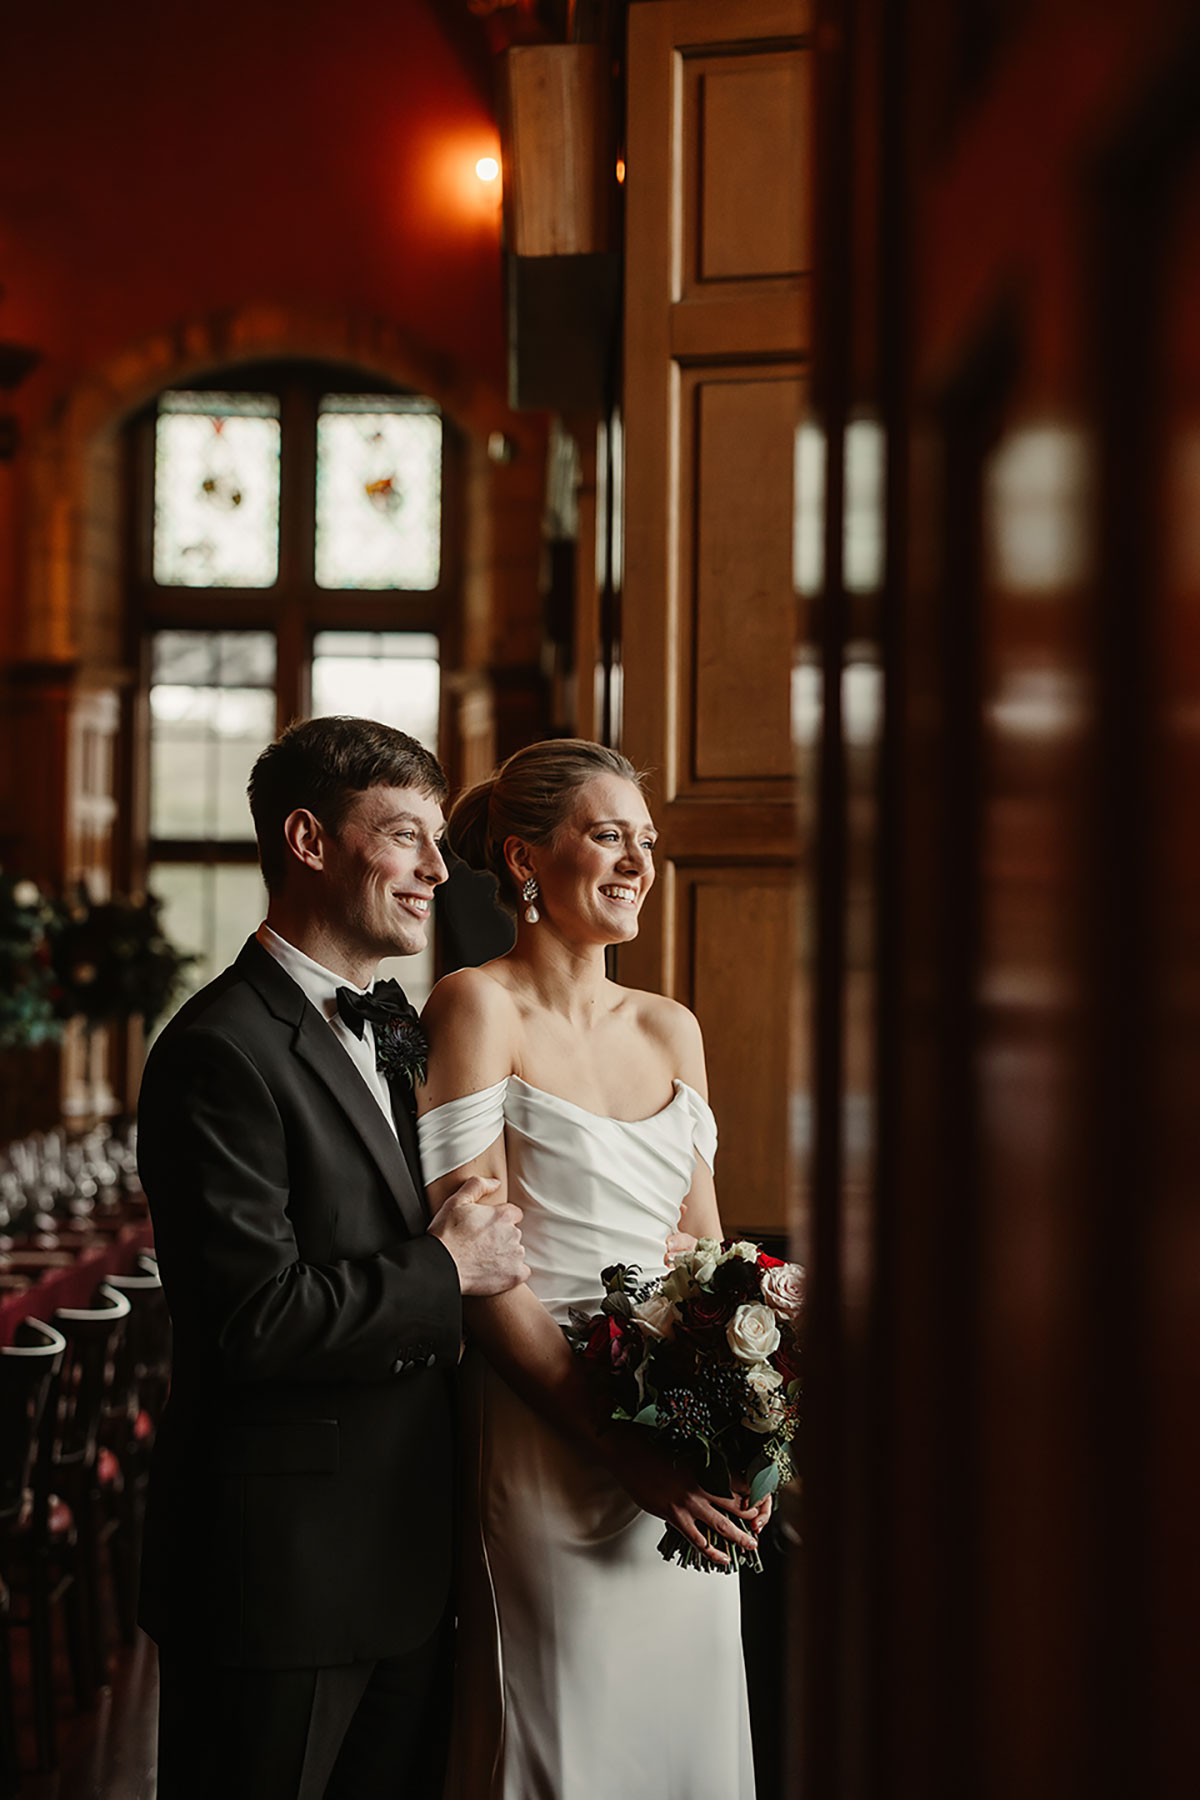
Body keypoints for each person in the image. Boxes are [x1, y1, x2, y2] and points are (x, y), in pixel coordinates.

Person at [136, 716, 528, 1800]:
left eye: (437, 840)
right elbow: (252, 1321)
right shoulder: (220, 1050)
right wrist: (445, 1272)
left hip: (413, 1555)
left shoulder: (398, 1026)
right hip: (280, 1577)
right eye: (405, 836)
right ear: (309, 841)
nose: (438, 871)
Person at [416, 739, 762, 1800]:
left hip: (674, 1444)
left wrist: (737, 1431)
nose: (637, 863)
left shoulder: (672, 1027)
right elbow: (476, 1264)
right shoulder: (477, 1006)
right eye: (608, 835)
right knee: (562, 1743)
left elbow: (708, 1255)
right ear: (525, 860)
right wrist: (619, 1447)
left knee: (684, 1741)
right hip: (548, 1434)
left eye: (645, 841)